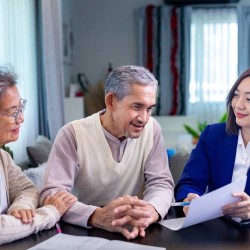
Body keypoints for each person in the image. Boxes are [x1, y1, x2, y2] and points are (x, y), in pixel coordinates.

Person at [40, 65, 174, 239]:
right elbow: (52, 194)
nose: (144, 118)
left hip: (136, 231)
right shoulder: (72, 134)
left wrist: (150, 210)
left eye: (149, 108)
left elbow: (161, 182)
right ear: (111, 101)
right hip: (83, 233)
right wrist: (96, 216)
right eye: (137, 107)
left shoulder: (153, 129)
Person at [0, 66, 77, 245]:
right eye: (13, 112)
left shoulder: (3, 157)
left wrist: (21, 207)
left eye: (21, 107)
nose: (21, 118)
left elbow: (27, 189)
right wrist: (51, 212)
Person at [175, 68, 250, 220]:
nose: (238, 105)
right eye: (236, 95)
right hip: (218, 229)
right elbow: (190, 182)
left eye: (249, 99)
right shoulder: (213, 135)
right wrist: (188, 199)